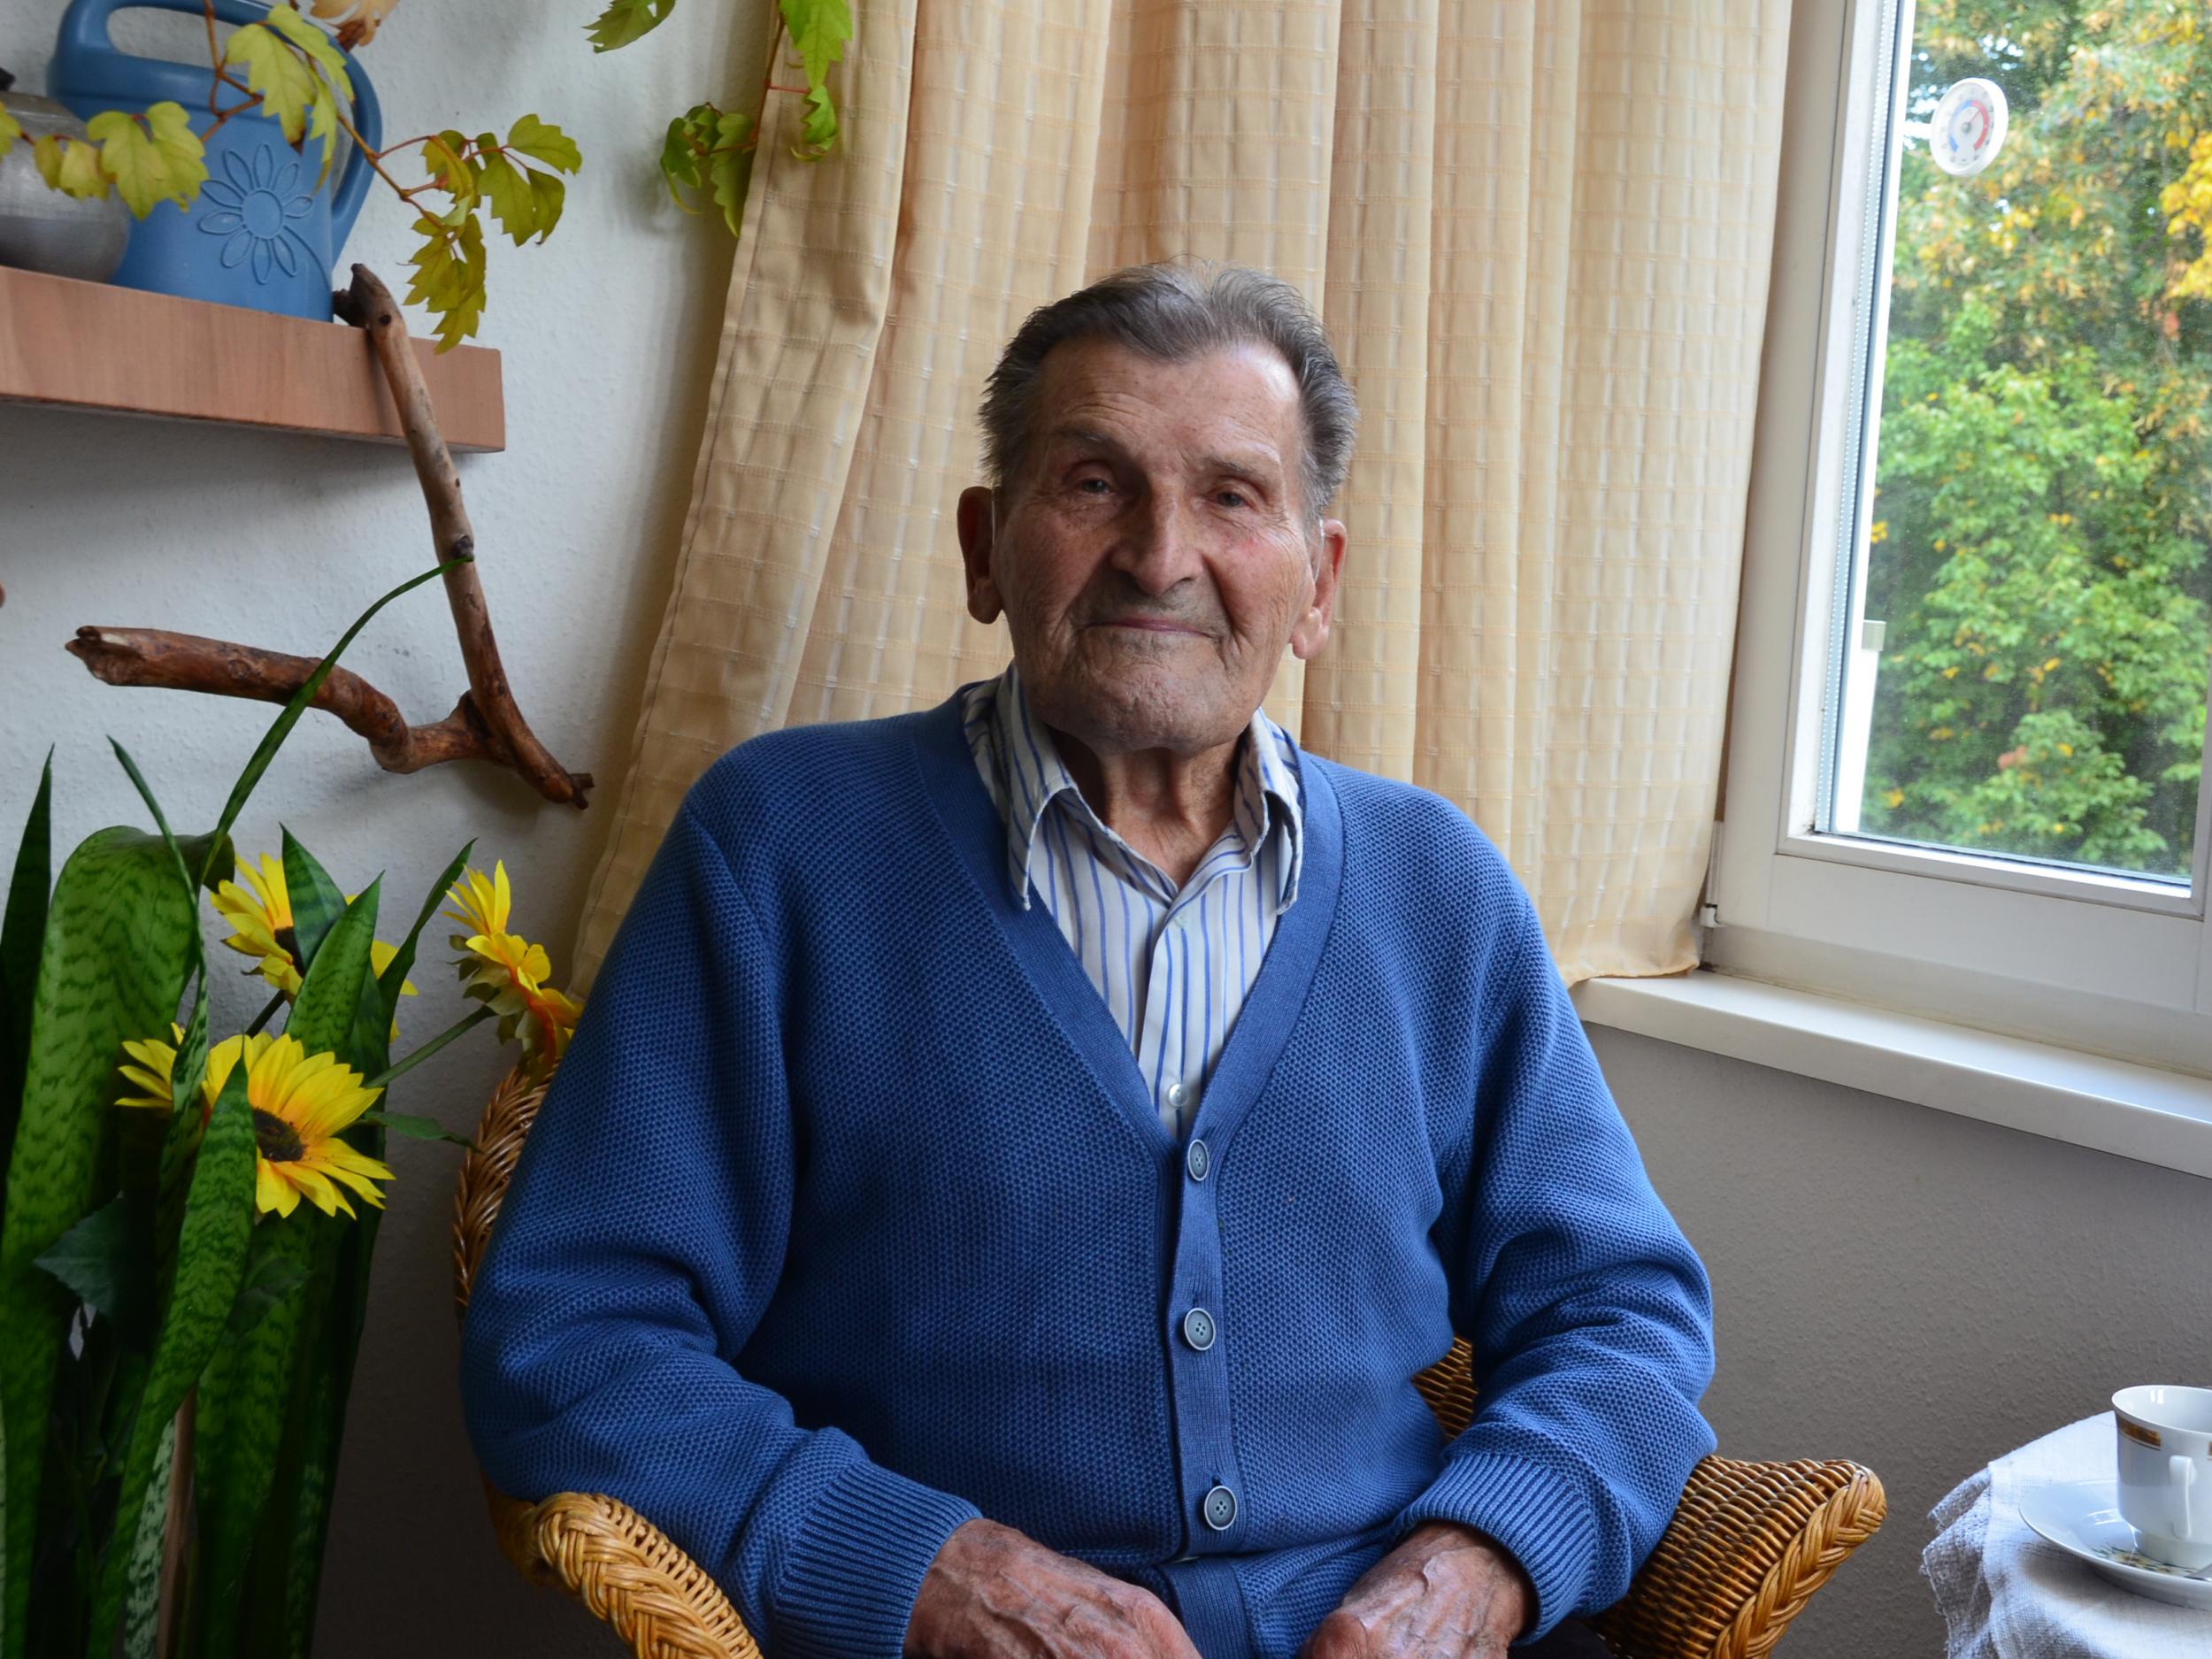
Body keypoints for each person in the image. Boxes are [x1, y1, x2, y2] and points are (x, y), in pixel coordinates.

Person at [459, 262, 1716, 1659]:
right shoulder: (779, 848)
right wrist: (928, 1572)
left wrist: (1479, 1562)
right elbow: (571, 1338)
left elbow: (1620, 1311)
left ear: (1319, 581)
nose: (1161, 554)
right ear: (987, 549)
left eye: (1234, 496)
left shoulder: (1440, 889)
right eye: (1095, 483)